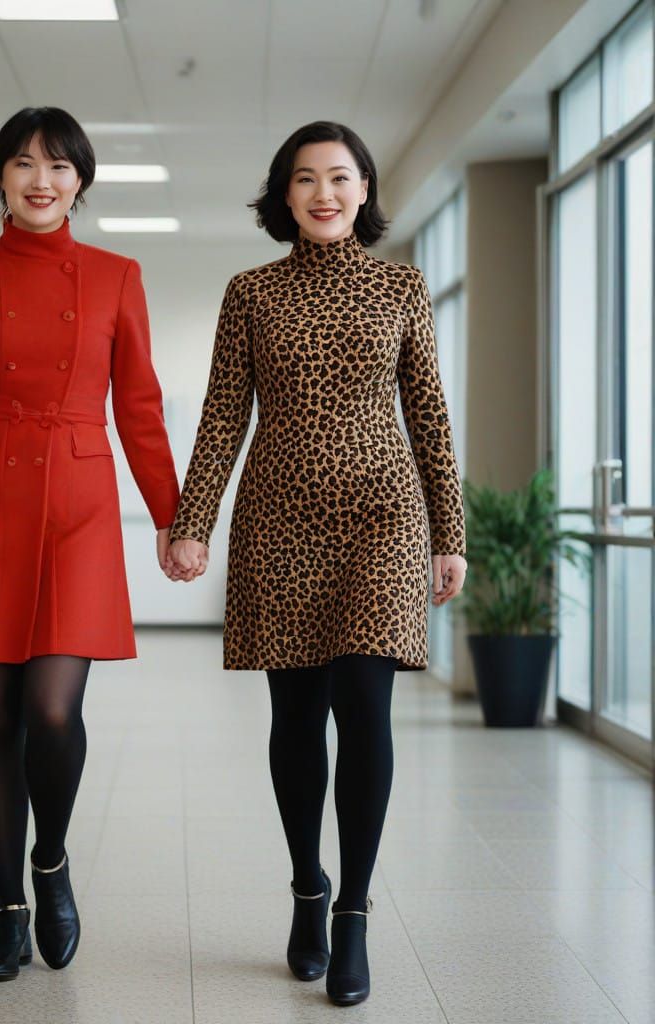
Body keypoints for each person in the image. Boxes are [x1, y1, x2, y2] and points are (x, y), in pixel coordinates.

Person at [165, 120, 467, 1007]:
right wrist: (193, 524)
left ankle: (355, 918)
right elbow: (223, 416)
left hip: (383, 518)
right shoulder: (250, 293)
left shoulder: (403, 287)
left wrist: (449, 532)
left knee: (364, 708)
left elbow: (431, 418)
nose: (324, 193)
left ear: (365, 191)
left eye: (341, 178)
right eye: (306, 179)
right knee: (296, 718)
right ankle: (308, 886)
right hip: (279, 521)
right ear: (284, 194)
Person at [0, 107, 180, 983]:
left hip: (80, 505)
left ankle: (48, 861)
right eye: (23, 164)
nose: (41, 179)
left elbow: (137, 404)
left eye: (58, 165)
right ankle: (8, 910)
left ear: (81, 181)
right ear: (0, 179)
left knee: (55, 712)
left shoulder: (115, 275)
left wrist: (174, 515)